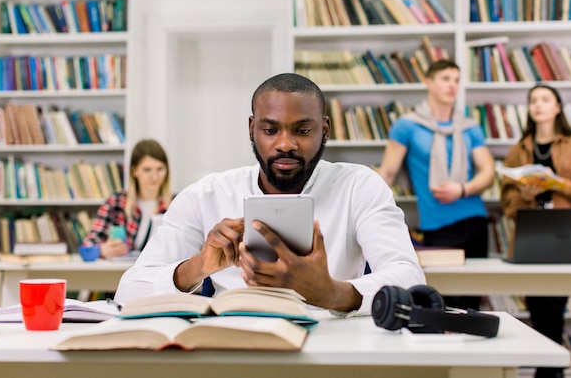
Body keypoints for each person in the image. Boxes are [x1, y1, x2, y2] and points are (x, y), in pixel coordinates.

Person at [115, 72, 426, 315]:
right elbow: (128, 290)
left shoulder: (360, 186)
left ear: (325, 130)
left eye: (302, 130)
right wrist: (198, 267)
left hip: (331, 347)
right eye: (270, 130)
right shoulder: (205, 195)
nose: (285, 144)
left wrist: (332, 293)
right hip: (233, 348)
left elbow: (410, 279)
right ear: (252, 129)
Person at [500, 84, 571, 378]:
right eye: (533, 100)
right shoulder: (518, 150)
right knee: (538, 308)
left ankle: (550, 370)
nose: (538, 104)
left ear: (558, 106)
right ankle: (551, 370)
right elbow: (507, 205)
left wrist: (560, 184)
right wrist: (526, 194)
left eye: (545, 99)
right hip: (530, 237)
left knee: (554, 307)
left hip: (565, 235)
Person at [377, 59, 495, 311]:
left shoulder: (469, 127)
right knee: (445, 302)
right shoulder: (407, 126)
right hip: (437, 226)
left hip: (475, 221)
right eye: (445, 79)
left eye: (456, 80)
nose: (452, 85)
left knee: (473, 301)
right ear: (428, 82)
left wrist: (461, 189)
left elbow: (488, 172)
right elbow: (387, 172)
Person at [84, 138, 173, 259]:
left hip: (163, 274)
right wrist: (103, 250)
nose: (154, 176)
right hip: (121, 273)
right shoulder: (116, 202)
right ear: (134, 171)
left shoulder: (176, 204)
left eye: (160, 169)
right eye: (147, 170)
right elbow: (89, 243)